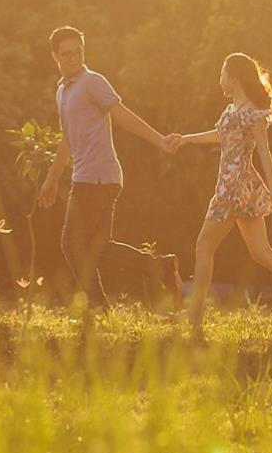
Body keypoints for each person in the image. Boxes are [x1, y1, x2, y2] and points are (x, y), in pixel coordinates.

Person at [169, 52, 272, 339]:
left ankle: (195, 318)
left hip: (233, 186)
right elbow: (221, 136)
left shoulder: (253, 113)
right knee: (260, 252)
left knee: (204, 247)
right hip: (240, 185)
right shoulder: (232, 110)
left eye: (223, 73)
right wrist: (187, 139)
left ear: (234, 77)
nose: (220, 79)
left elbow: (264, 150)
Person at [37, 25, 176, 308]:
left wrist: (160, 140)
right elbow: (67, 139)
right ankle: (160, 268)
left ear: (83, 52)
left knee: (71, 244)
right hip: (89, 176)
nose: (73, 58)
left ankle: (99, 306)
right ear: (55, 56)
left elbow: (123, 117)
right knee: (98, 248)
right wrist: (51, 180)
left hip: (98, 177)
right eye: (66, 54)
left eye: (78, 52)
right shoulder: (63, 91)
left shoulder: (93, 82)